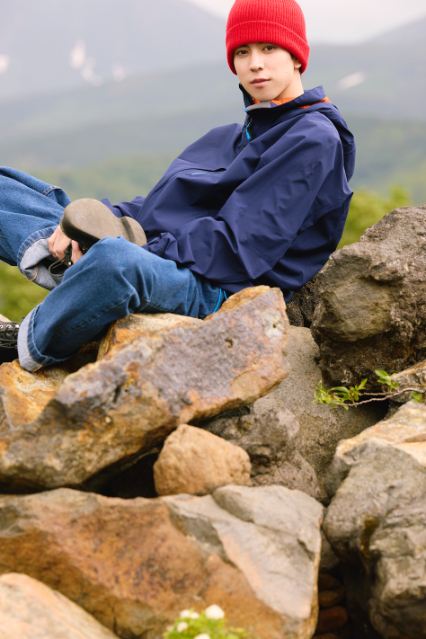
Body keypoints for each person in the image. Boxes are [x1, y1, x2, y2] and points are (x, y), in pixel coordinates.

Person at [0, 0, 355, 371]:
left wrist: (133, 246)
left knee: (116, 263)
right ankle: (66, 267)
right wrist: (92, 220)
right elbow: (155, 206)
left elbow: (239, 248)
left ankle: (29, 340)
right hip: (163, 255)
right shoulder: (227, 137)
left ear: (297, 56)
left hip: (219, 287)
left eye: (269, 48)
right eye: (242, 52)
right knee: (6, 187)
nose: (255, 63)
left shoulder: (313, 139)